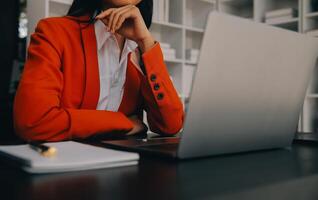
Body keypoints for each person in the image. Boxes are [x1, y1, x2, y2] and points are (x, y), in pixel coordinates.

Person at [13, 0, 184, 141]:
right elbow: (33, 123)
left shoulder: (141, 50)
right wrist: (123, 123)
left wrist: (146, 42)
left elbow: (171, 125)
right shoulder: (54, 32)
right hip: (62, 168)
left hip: (125, 170)